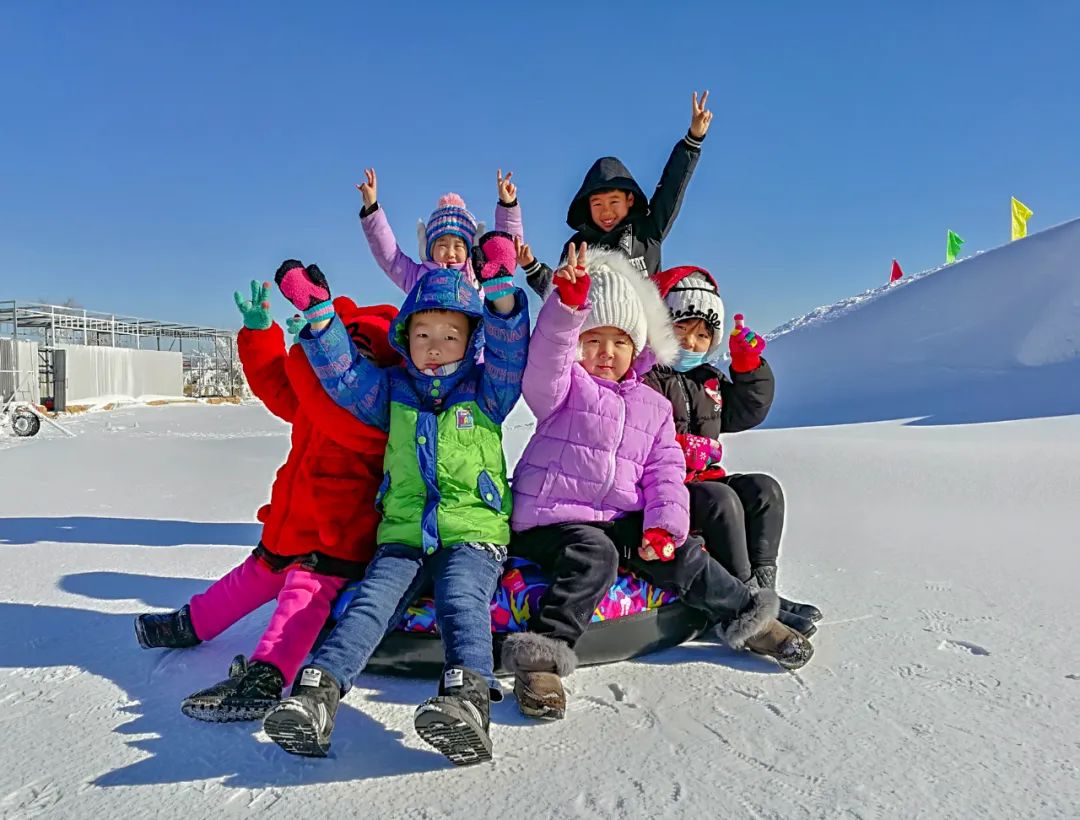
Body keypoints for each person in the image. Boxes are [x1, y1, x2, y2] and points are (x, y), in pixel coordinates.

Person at [503, 244, 813, 721]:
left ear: (639, 346)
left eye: (620, 341)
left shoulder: (653, 405)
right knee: (594, 556)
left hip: (619, 516)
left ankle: (751, 619)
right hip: (556, 516)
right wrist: (566, 309)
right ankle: (541, 660)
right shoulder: (563, 389)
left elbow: (665, 472)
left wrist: (663, 529)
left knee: (683, 552)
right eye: (593, 340)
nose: (606, 352)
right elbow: (547, 360)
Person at [261, 233, 529, 765]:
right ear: (405, 339)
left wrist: (500, 294)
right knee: (370, 604)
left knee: (460, 600)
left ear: (470, 340)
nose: (434, 345)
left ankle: (467, 700)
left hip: (472, 533)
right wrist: (320, 317)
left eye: (449, 335)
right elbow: (345, 377)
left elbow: (509, 349)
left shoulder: (487, 391)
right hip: (404, 532)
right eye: (422, 333)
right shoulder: (393, 391)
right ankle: (319, 694)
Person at [134, 282, 399, 722]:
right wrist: (261, 335)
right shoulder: (315, 397)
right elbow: (277, 384)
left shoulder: (376, 410)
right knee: (253, 577)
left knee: (303, 596)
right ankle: (193, 623)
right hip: (291, 521)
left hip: (336, 534)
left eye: (361, 356)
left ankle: (268, 676)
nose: (343, 365)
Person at [645, 266, 823, 634]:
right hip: (659, 489)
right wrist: (680, 448)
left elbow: (744, 411)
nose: (692, 343)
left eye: (703, 334)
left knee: (763, 490)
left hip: (703, 479)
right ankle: (744, 598)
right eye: (682, 328)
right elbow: (635, 431)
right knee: (719, 498)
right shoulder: (646, 374)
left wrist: (749, 367)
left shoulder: (706, 377)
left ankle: (763, 590)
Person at [519, 91, 712, 295]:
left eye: (613, 202)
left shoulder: (648, 229)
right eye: (597, 204)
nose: (606, 212)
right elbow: (561, 296)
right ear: (587, 206)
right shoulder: (577, 245)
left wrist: (692, 140)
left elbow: (671, 188)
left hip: (646, 325)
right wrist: (533, 269)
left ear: (629, 200)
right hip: (597, 325)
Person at [357, 167, 523, 292]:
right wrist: (372, 210)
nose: (450, 253)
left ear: (471, 249)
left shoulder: (481, 277)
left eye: (458, 246)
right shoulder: (418, 278)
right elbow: (390, 257)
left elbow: (505, 253)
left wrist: (508, 205)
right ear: (429, 248)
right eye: (442, 245)